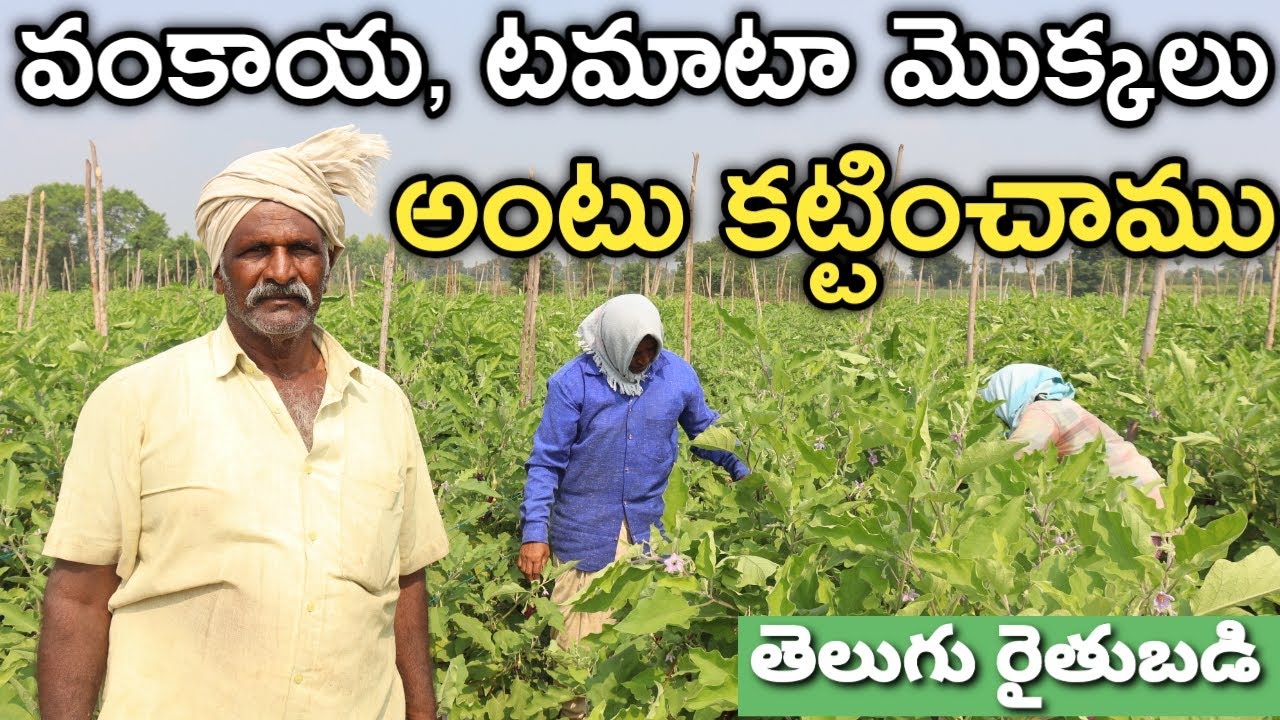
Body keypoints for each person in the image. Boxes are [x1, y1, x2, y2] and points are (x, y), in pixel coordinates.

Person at [37, 126, 450, 720]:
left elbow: (405, 584)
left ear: (330, 263)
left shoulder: (382, 403)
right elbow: (77, 599)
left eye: (302, 250)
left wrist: (422, 711)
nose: (280, 271)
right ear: (218, 271)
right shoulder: (134, 401)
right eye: (255, 251)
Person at [516, 294, 749, 718]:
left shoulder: (676, 376)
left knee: (639, 651)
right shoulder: (574, 383)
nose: (643, 359)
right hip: (584, 540)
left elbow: (704, 429)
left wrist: (742, 469)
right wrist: (534, 532)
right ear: (613, 342)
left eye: (650, 349)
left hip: (647, 538)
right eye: (634, 349)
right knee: (577, 661)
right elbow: (546, 462)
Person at [980, 362, 1165, 509]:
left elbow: (1014, 460)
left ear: (1007, 396)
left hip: (1132, 508)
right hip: (1153, 500)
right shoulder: (1062, 405)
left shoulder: (1042, 412)